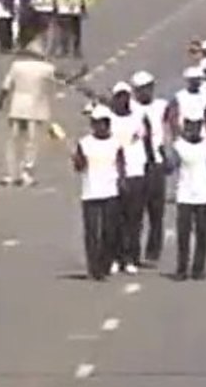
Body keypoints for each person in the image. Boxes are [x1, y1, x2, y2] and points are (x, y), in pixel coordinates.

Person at [166, 112, 206, 280]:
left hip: (204, 194)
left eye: (196, 125)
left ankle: (198, 268)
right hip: (185, 194)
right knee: (183, 234)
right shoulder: (179, 146)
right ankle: (182, 268)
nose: (193, 129)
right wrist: (163, 155)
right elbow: (171, 167)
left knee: (202, 233)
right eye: (189, 124)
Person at [0, 40, 56, 186]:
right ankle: (26, 172)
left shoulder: (17, 66)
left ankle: (11, 173)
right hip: (36, 106)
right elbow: (63, 80)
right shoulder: (46, 68)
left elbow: (5, 87)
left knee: (14, 140)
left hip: (18, 105)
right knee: (32, 141)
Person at [72, 105, 124, 282]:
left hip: (111, 192)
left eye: (103, 123)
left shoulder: (116, 143)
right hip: (91, 192)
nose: (100, 127)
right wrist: (78, 160)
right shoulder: (84, 143)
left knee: (109, 232)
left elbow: (121, 165)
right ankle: (94, 268)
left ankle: (105, 264)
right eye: (96, 123)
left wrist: (123, 184)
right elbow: (79, 168)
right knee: (92, 233)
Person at [109, 82, 149, 276]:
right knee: (115, 220)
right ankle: (115, 257)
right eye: (119, 96)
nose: (122, 100)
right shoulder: (108, 119)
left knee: (134, 219)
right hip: (113, 175)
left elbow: (146, 140)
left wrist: (151, 164)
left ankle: (131, 257)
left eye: (125, 96)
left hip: (136, 173)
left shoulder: (138, 117)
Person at [131, 71, 170, 264]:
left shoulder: (161, 106)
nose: (146, 92)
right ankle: (133, 251)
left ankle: (153, 251)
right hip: (137, 164)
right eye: (142, 89)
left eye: (149, 87)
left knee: (157, 211)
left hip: (157, 162)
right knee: (135, 212)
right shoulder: (131, 108)